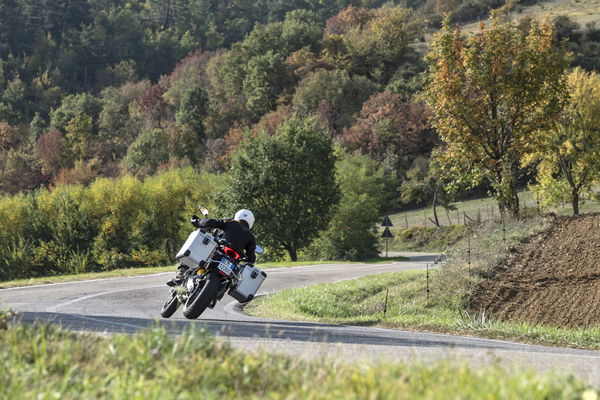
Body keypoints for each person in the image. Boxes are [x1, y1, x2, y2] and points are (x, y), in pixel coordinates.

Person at [167, 209, 256, 286]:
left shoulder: (230, 222)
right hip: (233, 260)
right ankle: (221, 289)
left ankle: (180, 274)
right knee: (233, 277)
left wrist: (198, 221)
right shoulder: (251, 237)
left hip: (221, 250)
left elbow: (210, 222)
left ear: (237, 216)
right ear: (250, 222)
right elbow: (251, 258)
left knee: (197, 249)